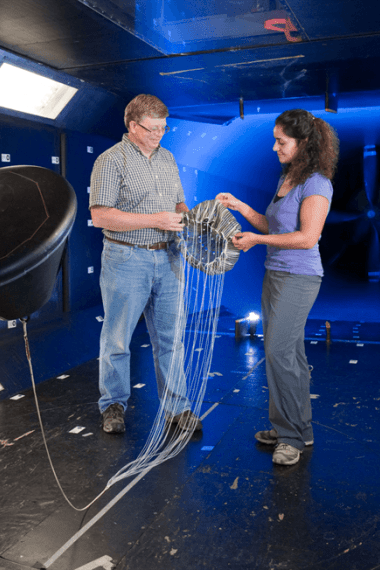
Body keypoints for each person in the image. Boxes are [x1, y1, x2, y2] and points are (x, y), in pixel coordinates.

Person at [216, 109, 338, 465]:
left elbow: (307, 237)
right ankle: (298, 428)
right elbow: (272, 226)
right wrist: (240, 208)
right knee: (290, 355)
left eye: (281, 141)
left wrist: (255, 239)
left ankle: (291, 439)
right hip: (276, 276)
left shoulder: (316, 183)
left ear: (302, 143)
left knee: (279, 353)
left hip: (299, 278)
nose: (274, 147)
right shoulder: (288, 178)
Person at [89, 94, 202, 435]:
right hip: (126, 258)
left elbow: (179, 204)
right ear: (132, 126)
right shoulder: (111, 161)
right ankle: (112, 405)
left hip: (169, 258)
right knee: (117, 339)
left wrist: (195, 218)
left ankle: (177, 408)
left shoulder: (168, 158)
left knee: (171, 338)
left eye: (163, 128)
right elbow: (100, 216)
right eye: (152, 129)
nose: (159, 135)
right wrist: (157, 219)